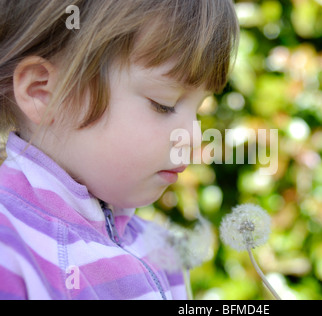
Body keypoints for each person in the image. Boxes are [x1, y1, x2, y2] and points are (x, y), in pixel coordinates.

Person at [0, 0, 239, 300]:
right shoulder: (10, 246)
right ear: (43, 92)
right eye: (163, 104)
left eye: (198, 109)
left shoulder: (160, 251)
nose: (193, 137)